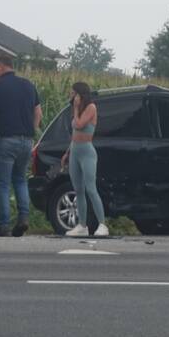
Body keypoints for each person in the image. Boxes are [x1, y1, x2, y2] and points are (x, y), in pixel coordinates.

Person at [0, 55, 41, 238]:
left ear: (1, 66)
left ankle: (4, 226)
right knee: (21, 180)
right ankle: (23, 218)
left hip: (6, 140)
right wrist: (32, 130)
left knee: (3, 184)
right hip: (26, 140)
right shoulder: (28, 85)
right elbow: (38, 111)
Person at [60, 82, 108, 237]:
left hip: (87, 151)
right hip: (75, 150)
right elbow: (74, 134)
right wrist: (67, 153)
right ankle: (82, 225)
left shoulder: (91, 108)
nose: (71, 95)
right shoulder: (77, 110)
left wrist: (75, 108)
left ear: (80, 94)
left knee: (90, 188)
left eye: (74, 93)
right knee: (78, 189)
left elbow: (79, 124)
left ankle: (102, 224)